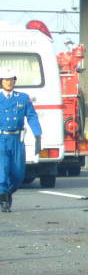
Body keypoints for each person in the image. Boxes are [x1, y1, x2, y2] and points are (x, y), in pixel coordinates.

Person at [0, 66, 42, 213]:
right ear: (1, 82)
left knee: (18, 174)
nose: (9, 82)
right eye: (6, 80)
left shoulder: (23, 98)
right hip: (1, 138)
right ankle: (4, 198)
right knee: (2, 170)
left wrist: (38, 134)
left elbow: (31, 116)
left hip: (17, 139)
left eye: (11, 80)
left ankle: (7, 191)